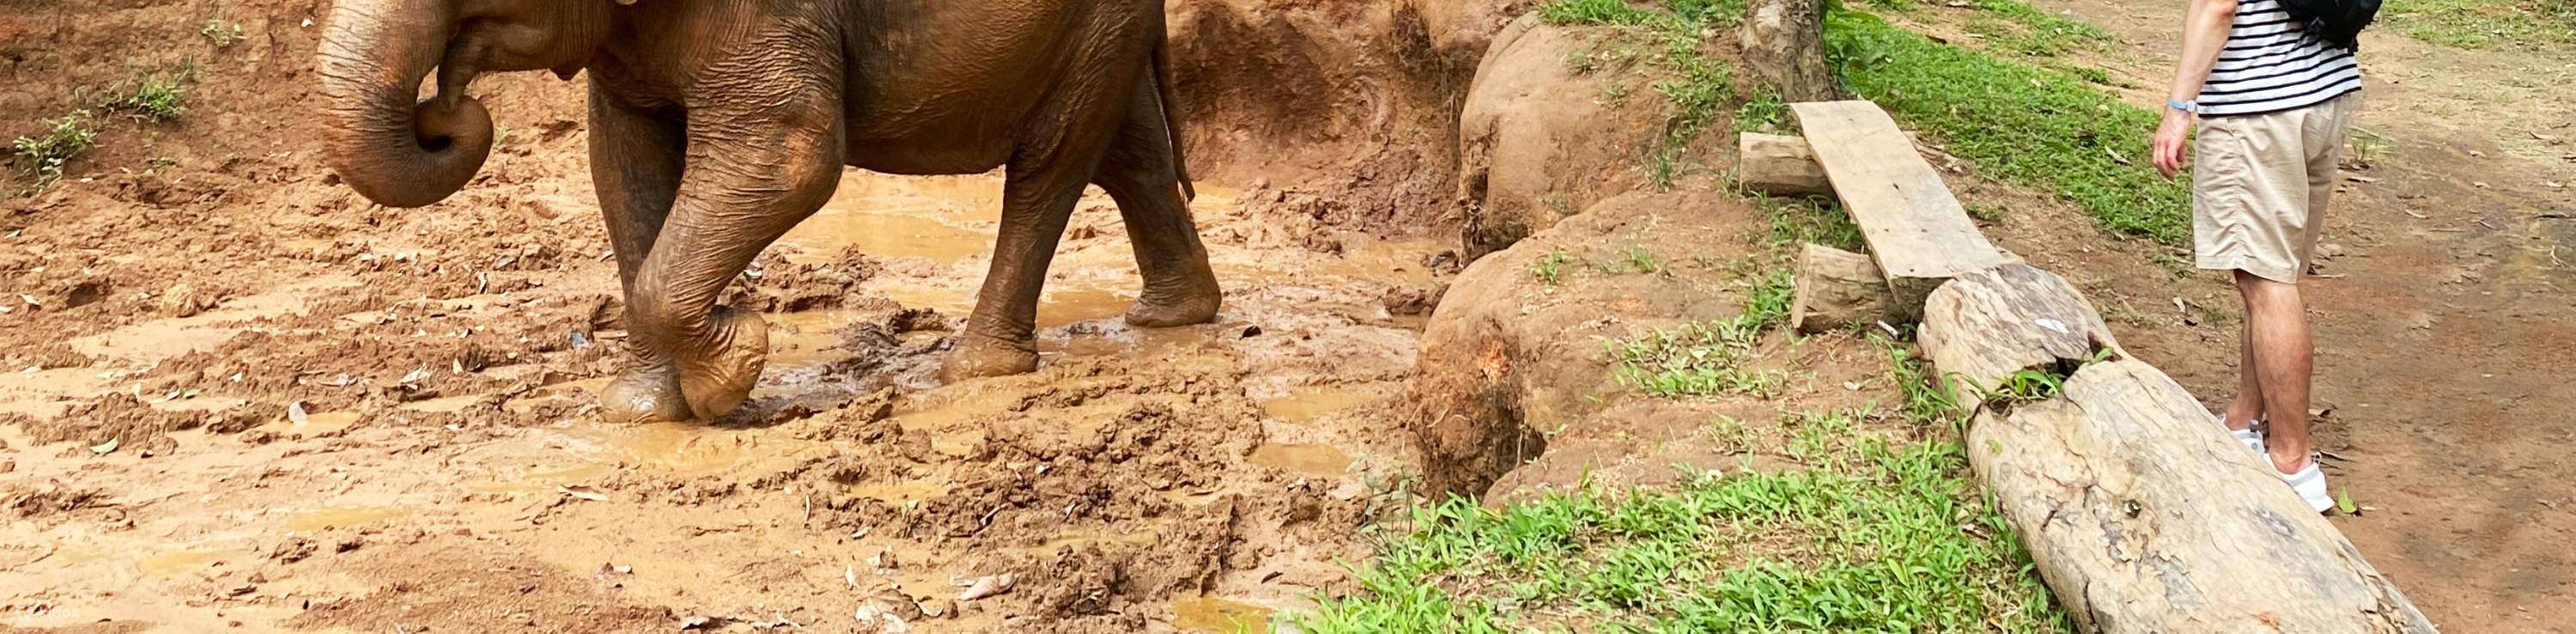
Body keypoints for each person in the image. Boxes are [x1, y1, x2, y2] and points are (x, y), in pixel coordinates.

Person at [2150, 0, 2361, 513]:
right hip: (2325, 95)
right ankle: (2244, 419)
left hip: (2258, 106)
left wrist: (2179, 108)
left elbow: (2217, 7)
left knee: (2267, 284)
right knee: (2275, 274)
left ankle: (2292, 462)